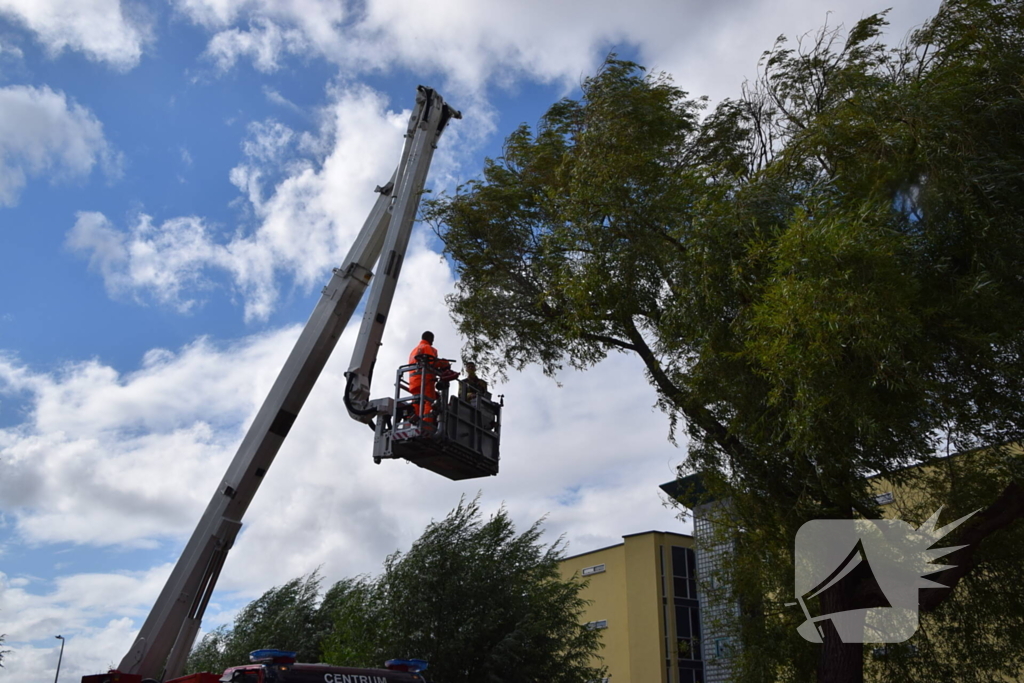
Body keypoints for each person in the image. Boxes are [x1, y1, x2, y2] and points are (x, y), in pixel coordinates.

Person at [407, 331, 451, 424]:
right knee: (429, 401)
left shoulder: (414, 350)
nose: (433, 342)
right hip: (426, 380)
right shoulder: (427, 347)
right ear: (429, 338)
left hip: (414, 381)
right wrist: (444, 363)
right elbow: (432, 362)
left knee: (416, 402)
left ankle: (413, 424)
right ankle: (427, 425)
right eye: (432, 340)